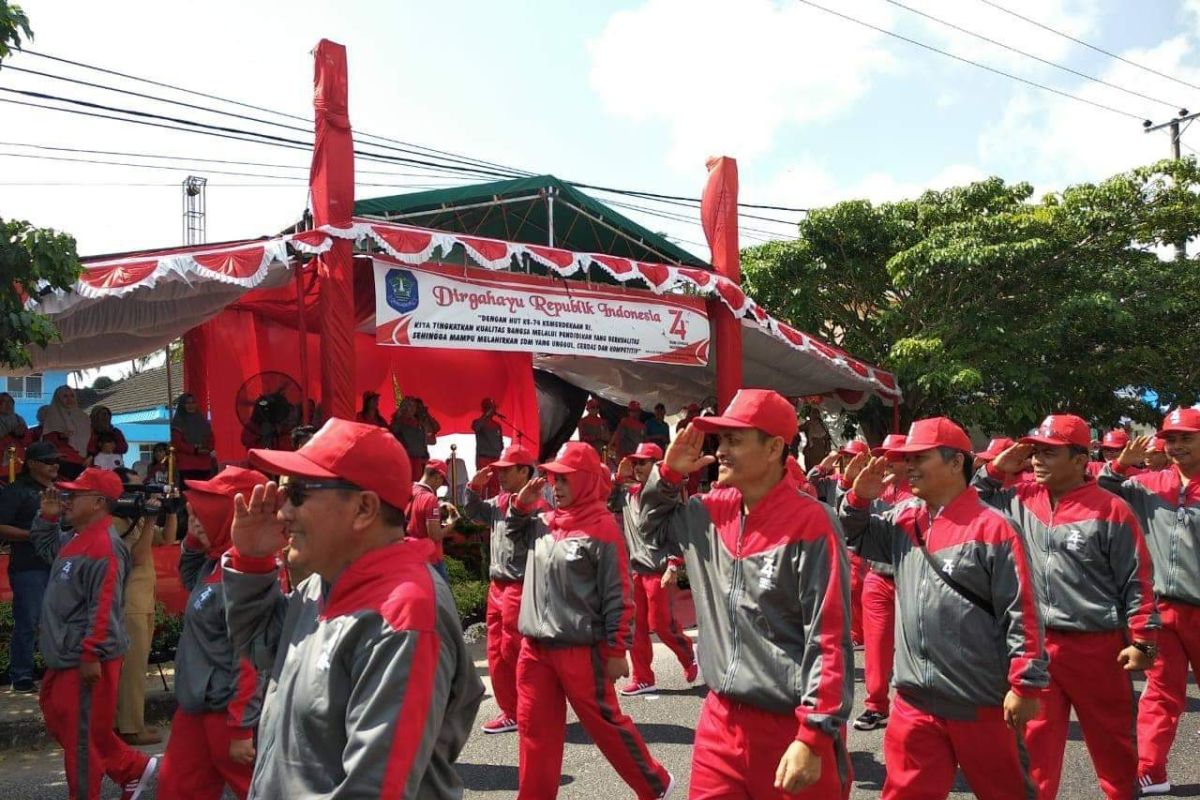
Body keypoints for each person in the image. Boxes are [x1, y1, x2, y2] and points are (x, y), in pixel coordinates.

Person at [224, 418, 484, 798]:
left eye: (298, 493)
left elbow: (374, 789)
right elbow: (261, 648)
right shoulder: (321, 584)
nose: (283, 513)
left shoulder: (403, 616)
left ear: (364, 508)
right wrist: (250, 562)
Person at [641, 388, 854, 798]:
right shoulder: (707, 512)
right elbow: (647, 535)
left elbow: (828, 638)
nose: (720, 450)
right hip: (718, 723)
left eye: (734, 440)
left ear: (774, 448)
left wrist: (813, 735)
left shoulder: (813, 524)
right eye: (720, 439)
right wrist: (666, 478)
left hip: (788, 727)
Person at [840, 416, 1048, 800]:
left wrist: (1025, 683)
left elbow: (1022, 611)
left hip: (979, 702)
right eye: (908, 459)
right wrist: (858, 499)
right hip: (914, 701)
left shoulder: (994, 528)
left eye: (921, 457)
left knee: (1006, 792)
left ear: (956, 463)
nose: (909, 467)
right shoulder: (904, 519)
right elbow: (855, 535)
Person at [976, 414, 1159, 800]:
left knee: (1114, 750)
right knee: (1035, 754)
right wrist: (994, 469)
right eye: (1036, 451)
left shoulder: (1111, 510)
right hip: (1034, 650)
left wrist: (1143, 640)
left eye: (1050, 453)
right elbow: (969, 504)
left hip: (1098, 648)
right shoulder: (1017, 500)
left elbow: (1137, 580)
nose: (1038, 460)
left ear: (1080, 459)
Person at [508, 442, 674, 799]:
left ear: (584, 480)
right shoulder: (542, 522)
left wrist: (617, 650)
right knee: (534, 732)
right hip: (535, 650)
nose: (556, 486)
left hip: (580, 651)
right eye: (553, 478)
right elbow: (511, 537)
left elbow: (619, 595)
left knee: (606, 726)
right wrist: (520, 506)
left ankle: (655, 784)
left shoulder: (602, 529)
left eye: (565, 479)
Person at [31, 468, 158, 799]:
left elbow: (104, 605)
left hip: (84, 659)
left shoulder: (104, 545)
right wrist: (47, 517)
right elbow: (46, 549)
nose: (66, 500)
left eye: (75, 495)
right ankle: (131, 768)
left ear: (99, 502)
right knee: (66, 723)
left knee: (80, 738)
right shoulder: (76, 539)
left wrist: (91, 653)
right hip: (67, 655)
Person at [1097, 408, 1200, 795]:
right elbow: (1101, 495)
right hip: (1163, 610)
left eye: (1186, 438)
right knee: (1160, 692)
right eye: (1170, 439)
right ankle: (1151, 770)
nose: (1176, 447)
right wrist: (1119, 467)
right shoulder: (1150, 484)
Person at [156, 466, 269, 800]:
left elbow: (251, 660)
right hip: (198, 707)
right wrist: (195, 537)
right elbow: (190, 578)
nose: (196, 520)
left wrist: (240, 726)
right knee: (177, 788)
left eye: (204, 513)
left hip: (227, 712)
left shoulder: (248, 574)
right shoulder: (218, 561)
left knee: (257, 789)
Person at [462, 444, 543, 736]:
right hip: (497, 587)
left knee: (516, 650)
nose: (501, 475)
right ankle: (511, 711)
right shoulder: (498, 501)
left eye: (507, 470)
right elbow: (472, 514)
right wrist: (473, 487)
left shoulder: (535, 506)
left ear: (524, 472)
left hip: (520, 586)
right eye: (499, 470)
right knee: (496, 652)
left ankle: (532, 707)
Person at [610, 442, 697, 697]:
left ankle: (688, 654)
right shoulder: (626, 495)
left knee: (660, 624)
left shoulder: (666, 495)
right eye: (635, 463)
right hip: (635, 571)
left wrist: (673, 564)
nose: (637, 467)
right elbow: (603, 496)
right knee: (635, 629)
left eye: (642, 463)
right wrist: (618, 476)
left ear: (657, 465)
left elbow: (677, 531)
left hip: (659, 570)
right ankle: (643, 678)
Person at [851, 433, 914, 733]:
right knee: (876, 645)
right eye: (885, 454)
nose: (888, 459)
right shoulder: (876, 487)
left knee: (911, 646)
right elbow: (852, 523)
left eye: (896, 455)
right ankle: (876, 705)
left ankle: (911, 706)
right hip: (877, 576)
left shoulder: (923, 490)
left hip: (911, 576)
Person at [113, 472, 179, 747]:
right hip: (129, 603)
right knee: (132, 669)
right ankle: (129, 727)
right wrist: (150, 518)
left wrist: (170, 511)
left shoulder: (136, 516)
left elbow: (167, 539)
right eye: (136, 488)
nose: (143, 494)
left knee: (137, 666)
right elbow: (138, 557)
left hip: (143, 600)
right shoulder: (116, 521)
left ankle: (130, 722)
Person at [0, 441, 59, 693]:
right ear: (33, 463)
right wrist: (35, 534)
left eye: (56, 460)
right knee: (28, 621)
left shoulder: (62, 489)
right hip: (28, 566)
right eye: (48, 461)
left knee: (57, 620)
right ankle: (22, 674)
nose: (55, 465)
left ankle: (54, 669)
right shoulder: (16, 491)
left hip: (59, 565)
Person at [809, 439, 871, 647]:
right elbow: (809, 483)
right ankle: (853, 632)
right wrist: (824, 465)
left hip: (859, 543)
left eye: (854, 458)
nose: (849, 462)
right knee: (841, 588)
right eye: (846, 458)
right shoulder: (833, 480)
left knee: (857, 588)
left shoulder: (868, 483)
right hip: (835, 542)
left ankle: (860, 632)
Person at [406, 460, 458, 583]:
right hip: (431, 558)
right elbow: (434, 535)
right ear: (437, 477)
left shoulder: (410, 490)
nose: (440, 485)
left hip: (411, 554)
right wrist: (451, 523)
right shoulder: (429, 499)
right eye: (441, 481)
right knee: (442, 599)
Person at [41, 385, 91, 479]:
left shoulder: (83, 417)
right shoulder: (52, 416)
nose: (69, 399)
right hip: (63, 462)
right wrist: (60, 436)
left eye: (72, 396)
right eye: (65, 396)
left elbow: (92, 438)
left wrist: (90, 456)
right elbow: (48, 441)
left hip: (84, 461)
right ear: (58, 398)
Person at [171, 393, 216, 481]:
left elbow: (211, 438)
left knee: (203, 493)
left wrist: (208, 448)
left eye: (193, 402)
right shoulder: (178, 423)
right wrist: (194, 450)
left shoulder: (203, 421)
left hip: (204, 465)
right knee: (188, 493)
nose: (191, 405)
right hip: (186, 466)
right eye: (187, 403)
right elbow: (177, 443)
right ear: (182, 405)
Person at [472, 398, 505, 498]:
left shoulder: (497, 426)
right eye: (491, 408)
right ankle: (480, 507)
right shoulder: (478, 422)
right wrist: (486, 415)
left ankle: (494, 507)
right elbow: (476, 427)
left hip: (496, 459)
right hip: (483, 458)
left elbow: (501, 444)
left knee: (495, 485)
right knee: (482, 483)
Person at [391, 397, 430, 477]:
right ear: (405, 407)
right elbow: (393, 431)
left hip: (418, 457)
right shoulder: (399, 421)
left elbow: (427, 435)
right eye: (410, 406)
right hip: (405, 457)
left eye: (414, 406)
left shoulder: (418, 422)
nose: (413, 409)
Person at [0, 391, 29, 480]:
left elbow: (27, 441)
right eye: (3, 402)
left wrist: (21, 434)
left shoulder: (19, 419)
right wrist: (11, 434)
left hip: (19, 460)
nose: (8, 405)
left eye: (10, 402)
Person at [800, 407, 832, 471]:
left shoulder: (823, 425)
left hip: (820, 451)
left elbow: (827, 439)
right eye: (813, 413)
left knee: (819, 469)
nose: (814, 415)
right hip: (812, 450)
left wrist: (828, 451)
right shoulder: (808, 424)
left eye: (816, 414)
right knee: (810, 469)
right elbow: (798, 429)